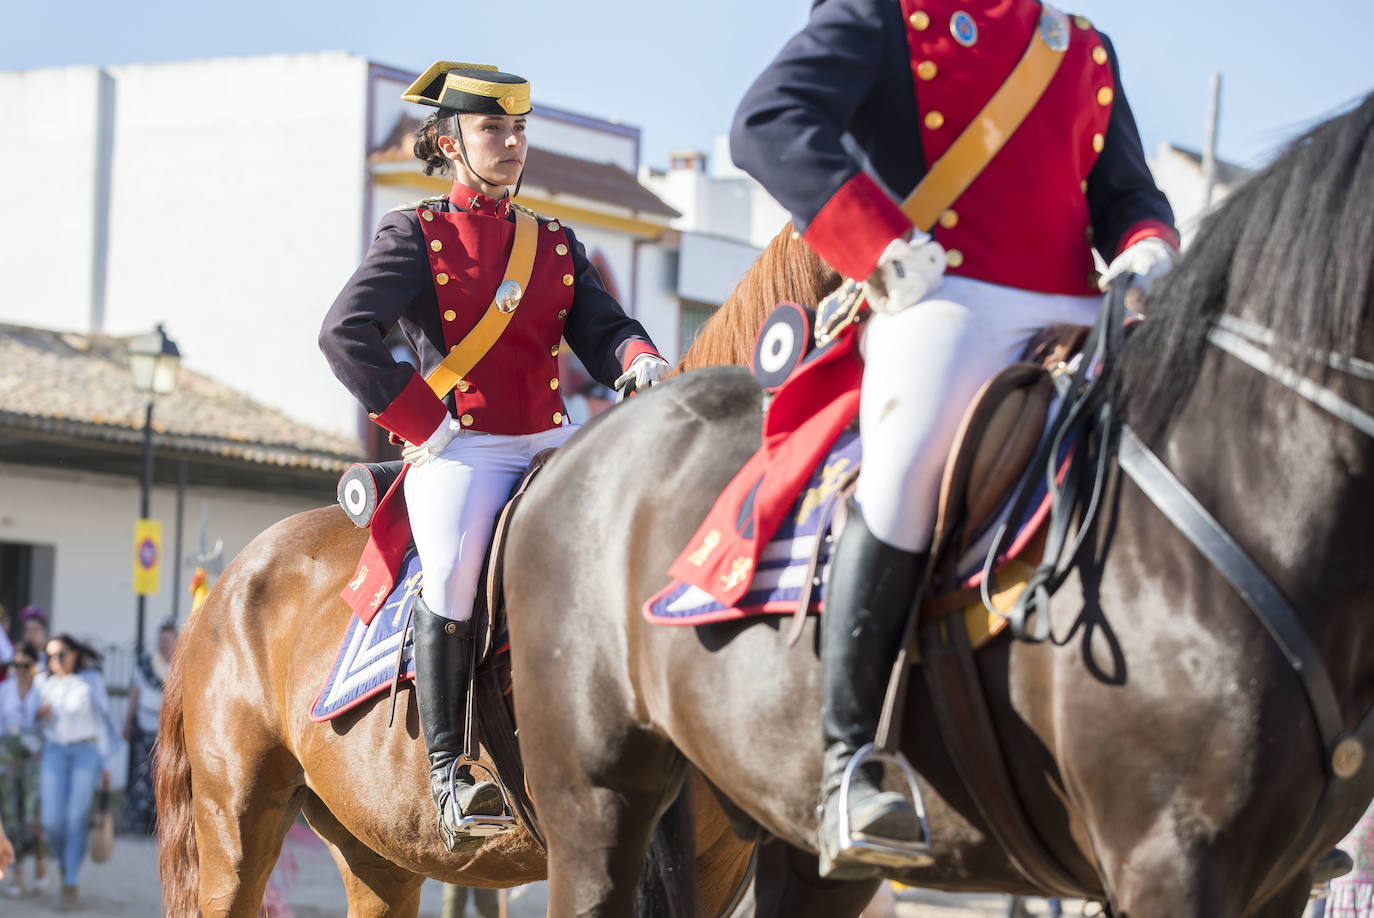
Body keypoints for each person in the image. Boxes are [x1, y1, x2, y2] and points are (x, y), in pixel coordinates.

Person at [730, 0, 1178, 874]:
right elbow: (768, 120)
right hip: (943, 294)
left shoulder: (1080, 45)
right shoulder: (884, 15)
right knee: (902, 478)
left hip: (1087, 310)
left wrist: (1146, 248)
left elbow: (1125, 195)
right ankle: (850, 762)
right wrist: (878, 244)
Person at [319, 61, 669, 850]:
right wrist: (422, 421)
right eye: (493, 130)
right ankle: (450, 771)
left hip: (550, 435)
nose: (512, 144)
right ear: (450, 142)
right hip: (463, 447)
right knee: (450, 575)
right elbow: (344, 334)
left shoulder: (554, 242)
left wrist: (638, 358)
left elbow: (604, 328)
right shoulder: (415, 234)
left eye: (519, 130)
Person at [34, 634, 116, 909]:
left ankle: (70, 881)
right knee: (51, 821)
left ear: (73, 654)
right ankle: (65, 863)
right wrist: (37, 715)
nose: (54, 661)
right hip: (55, 751)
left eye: (59, 654)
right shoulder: (43, 683)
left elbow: (103, 723)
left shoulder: (91, 681)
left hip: (86, 752)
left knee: (74, 819)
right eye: (49, 656)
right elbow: (28, 725)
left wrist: (105, 765)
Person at [0, 642, 46, 896]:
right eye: (15, 665)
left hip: (34, 757)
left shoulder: (42, 690)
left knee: (33, 814)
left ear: (34, 666)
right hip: (8, 758)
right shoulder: (4, 690)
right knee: (11, 814)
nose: (20, 670)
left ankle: (40, 864)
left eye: (25, 665)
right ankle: (17, 875)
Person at [123, 621, 176, 834]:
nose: (163, 643)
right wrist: (127, 721)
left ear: (175, 640)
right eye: (161, 639)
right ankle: (137, 823)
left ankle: (160, 826)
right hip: (144, 726)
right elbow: (135, 693)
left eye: (167, 639)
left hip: (167, 731)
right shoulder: (146, 663)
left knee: (163, 777)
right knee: (141, 775)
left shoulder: (179, 664)